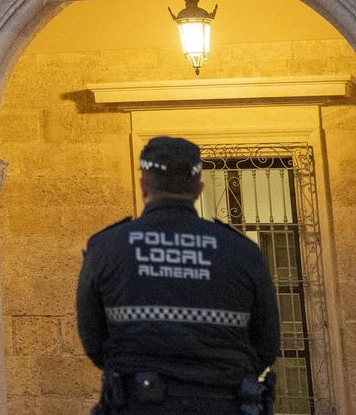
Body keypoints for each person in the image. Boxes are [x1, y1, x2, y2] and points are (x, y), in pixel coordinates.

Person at [76, 136, 280, 413]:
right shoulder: (242, 251)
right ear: (198, 188)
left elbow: (94, 340)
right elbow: (266, 343)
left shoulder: (107, 248)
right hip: (224, 404)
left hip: (137, 404)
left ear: (143, 185)